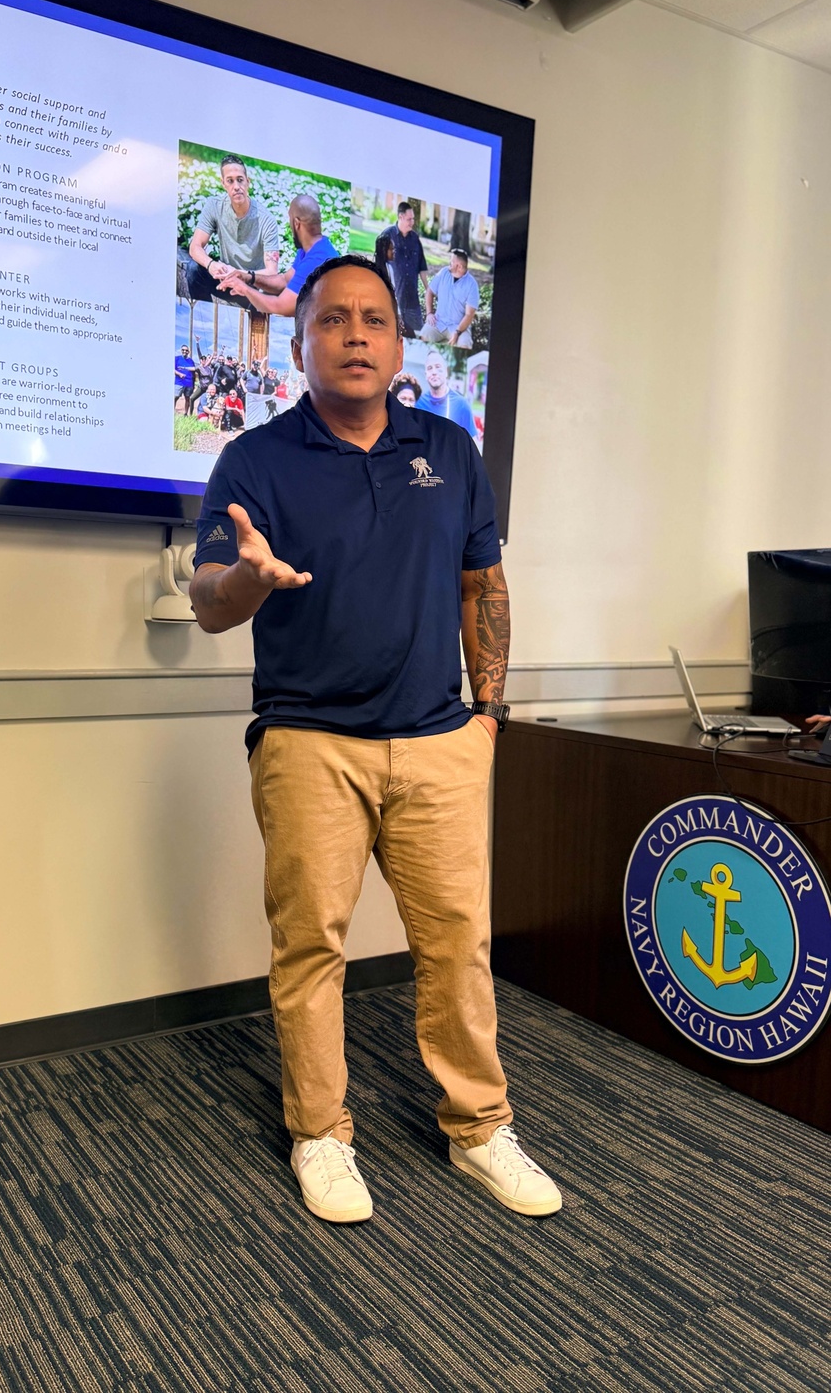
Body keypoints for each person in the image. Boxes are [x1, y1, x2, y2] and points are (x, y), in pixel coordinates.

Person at [190, 255, 561, 1226]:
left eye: (374, 319)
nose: (355, 334)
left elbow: (485, 585)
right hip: (310, 743)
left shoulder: (449, 446)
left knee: (457, 944)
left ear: (400, 343)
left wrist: (489, 715)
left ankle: (479, 1127)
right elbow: (208, 607)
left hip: (441, 739)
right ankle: (321, 1130)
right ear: (301, 341)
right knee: (310, 945)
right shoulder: (254, 463)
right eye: (332, 320)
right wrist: (251, 579)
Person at [219, 195, 339, 316]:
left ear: (296, 223)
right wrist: (249, 277)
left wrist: (243, 288)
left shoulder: (318, 259)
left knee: (262, 302)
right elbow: (284, 281)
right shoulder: (311, 249)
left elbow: (281, 306)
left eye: (290, 220)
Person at [186, 154, 280, 306]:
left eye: (240, 180)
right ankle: (203, 324)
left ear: (247, 182)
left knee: (269, 292)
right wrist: (212, 265)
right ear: (223, 183)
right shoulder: (214, 206)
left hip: (250, 286)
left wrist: (242, 275)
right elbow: (195, 247)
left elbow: (272, 272)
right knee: (193, 269)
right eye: (230, 181)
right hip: (224, 280)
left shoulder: (266, 219)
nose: (236, 186)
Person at [381, 202, 429, 338]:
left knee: (419, 336)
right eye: (409, 219)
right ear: (400, 217)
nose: (412, 222)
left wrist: (428, 290)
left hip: (413, 301)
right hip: (394, 302)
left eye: (413, 219)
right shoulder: (387, 236)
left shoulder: (415, 239)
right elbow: (379, 266)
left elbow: (422, 266)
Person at [420, 249, 479, 349]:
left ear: (459, 267)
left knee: (464, 345)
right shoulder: (443, 273)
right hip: (438, 322)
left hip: (459, 327)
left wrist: (457, 331)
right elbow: (429, 292)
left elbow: (469, 314)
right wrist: (429, 313)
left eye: (452, 261)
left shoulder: (472, 285)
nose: (449, 263)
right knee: (423, 337)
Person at [416, 350, 478, 441]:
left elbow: (473, 445)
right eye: (429, 368)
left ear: (446, 372)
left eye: (438, 367)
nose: (434, 372)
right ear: (426, 375)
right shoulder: (419, 404)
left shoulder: (461, 405)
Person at [174, 345, 196, 415]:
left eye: (186, 350)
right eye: (183, 350)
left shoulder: (191, 361)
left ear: (188, 352)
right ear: (181, 350)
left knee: (187, 398)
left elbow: (194, 372)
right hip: (179, 382)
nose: (185, 351)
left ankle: (185, 413)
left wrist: (193, 384)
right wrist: (179, 374)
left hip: (189, 383)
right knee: (175, 397)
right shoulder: (177, 359)